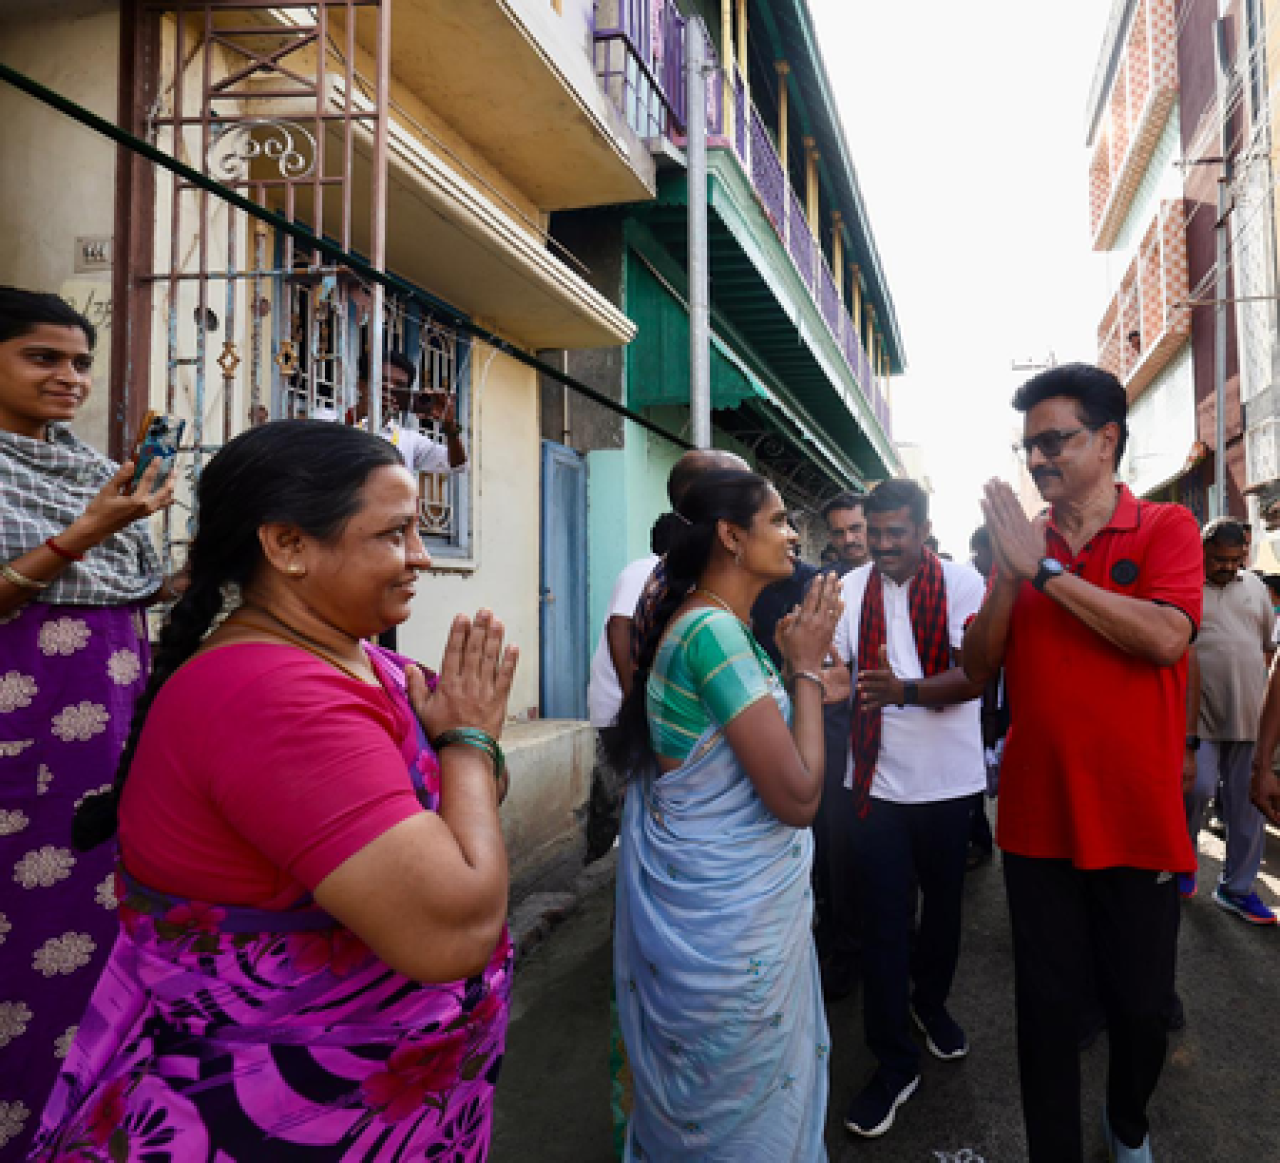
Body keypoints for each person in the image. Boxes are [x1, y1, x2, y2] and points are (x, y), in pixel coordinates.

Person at [32, 421, 518, 1160]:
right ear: (288, 545)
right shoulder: (270, 695)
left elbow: (452, 807)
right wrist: (472, 740)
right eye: (393, 534)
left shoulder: (365, 663)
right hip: (274, 1119)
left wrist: (464, 748)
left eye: (417, 531)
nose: (420, 557)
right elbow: (447, 928)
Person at [964, 363, 1200, 1163]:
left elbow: (1167, 637)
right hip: (1037, 818)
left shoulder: (1165, 527)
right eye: (1028, 446)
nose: (1037, 459)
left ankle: (1127, 1120)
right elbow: (977, 666)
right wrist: (1009, 571)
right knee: (1047, 1009)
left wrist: (1046, 572)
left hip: (1137, 815)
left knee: (1140, 1009)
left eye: (1053, 440)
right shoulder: (1023, 548)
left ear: (1107, 439)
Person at [606, 468, 841, 1161]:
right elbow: (798, 797)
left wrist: (802, 679)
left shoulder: (709, 622)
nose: (795, 534)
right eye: (779, 521)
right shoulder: (712, 632)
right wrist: (803, 667)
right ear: (733, 537)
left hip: (719, 912)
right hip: (731, 931)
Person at [0, 287, 177, 1159]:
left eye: (79, 361)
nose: (69, 377)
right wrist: (87, 530)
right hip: (19, 749)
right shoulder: (76, 496)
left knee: (103, 935)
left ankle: (85, 1129)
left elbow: (131, 594)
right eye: (42, 357)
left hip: (106, 745)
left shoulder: (83, 468)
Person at [836, 479, 987, 1140]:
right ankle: (894, 1060)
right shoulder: (848, 589)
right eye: (876, 532)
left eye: (897, 532)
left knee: (944, 911)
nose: (885, 545)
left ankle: (931, 1003)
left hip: (949, 784)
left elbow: (975, 675)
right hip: (874, 783)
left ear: (924, 529)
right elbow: (840, 675)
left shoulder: (962, 584)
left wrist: (901, 690)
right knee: (884, 922)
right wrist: (811, 672)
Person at [1182, 518, 1276, 922]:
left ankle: (1236, 888)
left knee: (1247, 809)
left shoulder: (1254, 587)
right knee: (1196, 789)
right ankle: (1182, 862)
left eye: (1236, 560)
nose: (1229, 567)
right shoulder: (1183, 585)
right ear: (1203, 549)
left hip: (1249, 718)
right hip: (1198, 718)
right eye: (1220, 559)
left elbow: (1269, 650)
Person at [584, 512, 681, 863]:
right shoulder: (646, 570)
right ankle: (600, 867)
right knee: (618, 793)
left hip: (629, 703)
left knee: (630, 791)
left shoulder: (665, 576)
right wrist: (632, 698)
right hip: (619, 705)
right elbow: (619, 627)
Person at [356, 350, 467, 473]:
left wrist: (450, 427)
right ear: (361, 384)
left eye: (399, 385)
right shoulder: (334, 418)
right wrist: (360, 412)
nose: (391, 388)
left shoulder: (408, 439)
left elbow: (458, 465)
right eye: (383, 382)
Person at [823, 491, 870, 573]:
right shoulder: (823, 583)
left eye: (856, 528)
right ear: (830, 537)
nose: (848, 540)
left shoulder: (897, 572)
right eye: (838, 533)